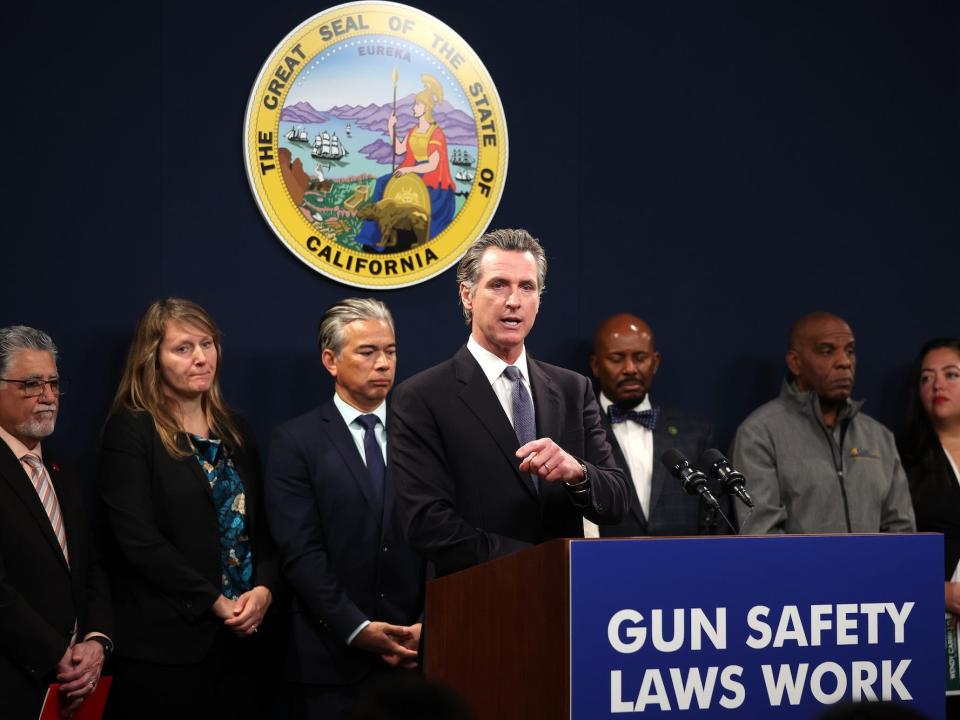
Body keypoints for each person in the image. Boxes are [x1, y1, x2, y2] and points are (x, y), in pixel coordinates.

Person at [390, 228, 629, 576]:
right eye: (498, 284)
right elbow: (426, 523)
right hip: (475, 606)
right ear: (467, 295)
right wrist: (533, 561)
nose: (513, 300)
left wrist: (577, 472)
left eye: (526, 287)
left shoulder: (572, 389)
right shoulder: (422, 397)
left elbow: (617, 500)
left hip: (562, 608)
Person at [97, 298, 280, 718]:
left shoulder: (235, 429)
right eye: (183, 348)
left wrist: (265, 590)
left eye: (207, 344)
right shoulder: (132, 429)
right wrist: (214, 601)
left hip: (245, 643)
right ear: (152, 358)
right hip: (168, 649)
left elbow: (264, 530)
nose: (201, 358)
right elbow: (136, 540)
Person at [265, 298, 423, 719]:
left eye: (390, 351)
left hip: (416, 657)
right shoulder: (295, 443)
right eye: (368, 352)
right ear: (330, 360)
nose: (383, 363)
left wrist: (428, 625)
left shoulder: (423, 435)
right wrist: (358, 628)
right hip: (331, 664)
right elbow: (300, 552)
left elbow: (440, 535)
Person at [0, 325, 113, 718]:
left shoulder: (63, 468)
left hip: (75, 687)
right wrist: (53, 653)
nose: (48, 397)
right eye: (31, 384)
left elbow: (92, 565)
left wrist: (97, 641)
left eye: (53, 383)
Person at [730, 312, 914, 534]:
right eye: (827, 351)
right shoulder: (759, 434)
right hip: (798, 570)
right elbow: (762, 535)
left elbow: (903, 532)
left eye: (850, 351)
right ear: (795, 363)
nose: (844, 362)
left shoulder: (879, 436)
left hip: (875, 570)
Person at [587, 313, 730, 536]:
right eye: (616, 358)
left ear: (655, 362)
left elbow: (716, 523)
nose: (630, 368)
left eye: (640, 357)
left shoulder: (697, 434)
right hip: (607, 567)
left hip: (685, 567)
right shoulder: (578, 432)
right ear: (596, 365)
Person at [356, 74, 457, 251]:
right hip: (412, 170)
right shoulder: (413, 130)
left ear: (426, 107)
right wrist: (391, 128)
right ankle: (373, 237)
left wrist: (408, 169)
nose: (413, 108)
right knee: (381, 183)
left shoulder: (436, 133)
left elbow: (432, 165)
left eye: (417, 104)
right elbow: (400, 150)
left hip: (429, 175)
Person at [898, 338, 960, 610]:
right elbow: (889, 551)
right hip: (935, 614)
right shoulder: (900, 457)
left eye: (951, 374)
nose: (937, 385)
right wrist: (937, 590)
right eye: (926, 378)